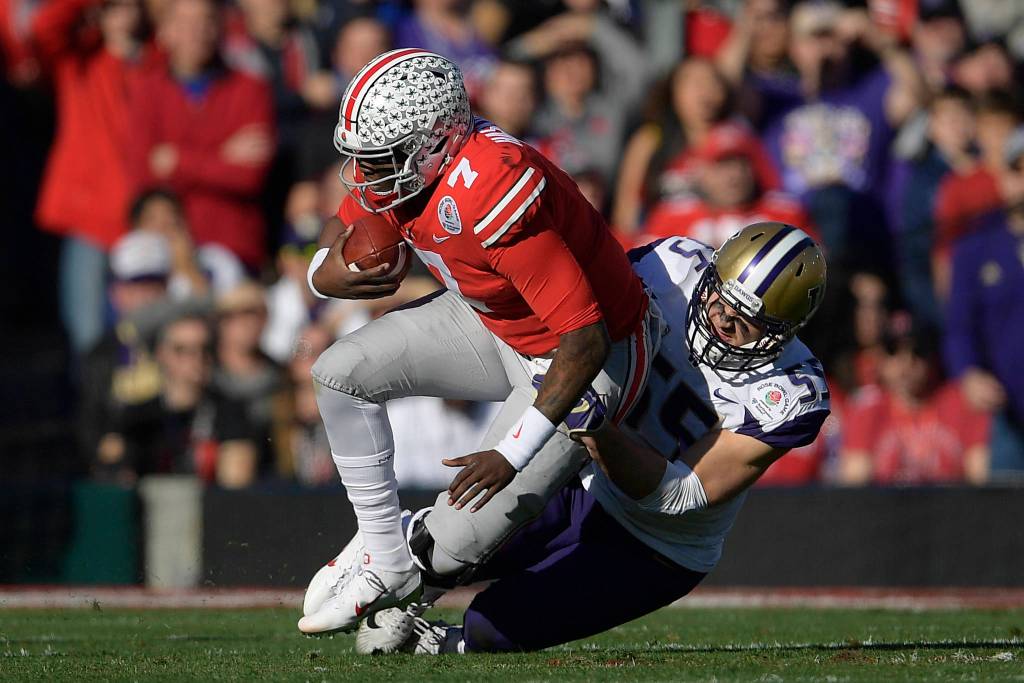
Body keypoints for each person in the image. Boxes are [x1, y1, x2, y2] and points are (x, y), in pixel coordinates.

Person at [298, 49, 661, 635]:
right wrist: (325, 270)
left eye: (381, 157)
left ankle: (417, 551)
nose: (366, 172)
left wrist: (510, 452)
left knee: (454, 546)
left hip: (586, 359)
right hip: (492, 319)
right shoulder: (405, 166)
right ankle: (386, 552)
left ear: (437, 141)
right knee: (338, 372)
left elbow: (585, 340)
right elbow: (340, 236)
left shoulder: (492, 186)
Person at [350, 222, 830, 654]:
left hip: (655, 544)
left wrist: (598, 427)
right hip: (579, 472)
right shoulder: (673, 266)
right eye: (721, 300)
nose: (723, 320)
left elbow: (678, 495)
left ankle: (439, 645)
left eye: (747, 322)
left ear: (783, 334)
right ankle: (394, 581)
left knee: (491, 627)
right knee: (445, 551)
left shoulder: (790, 394)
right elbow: (582, 318)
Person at [31, 0, 150, 353]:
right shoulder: (79, 60)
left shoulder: (155, 61)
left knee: (144, 330)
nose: (122, 12)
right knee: (86, 331)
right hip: (90, 216)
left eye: (129, 5)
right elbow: (44, 27)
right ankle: (88, 404)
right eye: (113, 6)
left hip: (143, 217)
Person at [127, 0, 275, 270]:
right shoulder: (146, 90)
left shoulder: (251, 89)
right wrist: (222, 156)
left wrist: (177, 161)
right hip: (163, 250)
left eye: (205, 21)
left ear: (219, 27)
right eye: (185, 23)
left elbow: (249, 176)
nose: (196, 31)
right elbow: (142, 174)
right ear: (165, 31)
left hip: (234, 246)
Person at [944, 128, 1024, 475]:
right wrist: (969, 373)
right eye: (1017, 169)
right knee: (1005, 522)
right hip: (1005, 413)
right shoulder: (976, 247)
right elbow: (959, 326)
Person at [840, 314, 989, 485]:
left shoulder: (962, 402)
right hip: (885, 509)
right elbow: (854, 489)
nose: (906, 362)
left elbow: (980, 482)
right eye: (893, 350)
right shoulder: (866, 409)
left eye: (918, 351)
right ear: (878, 357)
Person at [640, 123, 809, 247]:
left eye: (742, 163)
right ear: (701, 172)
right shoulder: (672, 216)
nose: (734, 174)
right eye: (722, 164)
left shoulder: (785, 214)